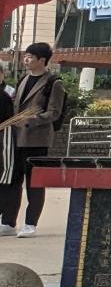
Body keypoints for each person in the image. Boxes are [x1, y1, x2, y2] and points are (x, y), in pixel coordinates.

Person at [0, 43, 69, 237]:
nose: (26, 59)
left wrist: (31, 120)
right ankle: (8, 221)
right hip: (17, 136)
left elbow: (54, 113)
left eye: (31, 56)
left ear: (42, 60)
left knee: (34, 182)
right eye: (26, 56)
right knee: (13, 180)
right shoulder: (23, 79)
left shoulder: (54, 83)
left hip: (36, 140)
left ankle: (30, 223)